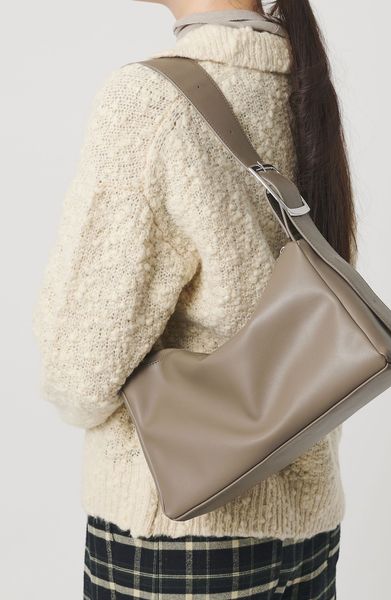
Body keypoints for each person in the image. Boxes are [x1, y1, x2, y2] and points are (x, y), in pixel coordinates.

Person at [32, 0, 357, 597]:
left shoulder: (149, 101)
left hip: (176, 528)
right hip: (307, 528)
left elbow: (80, 365)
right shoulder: (301, 83)